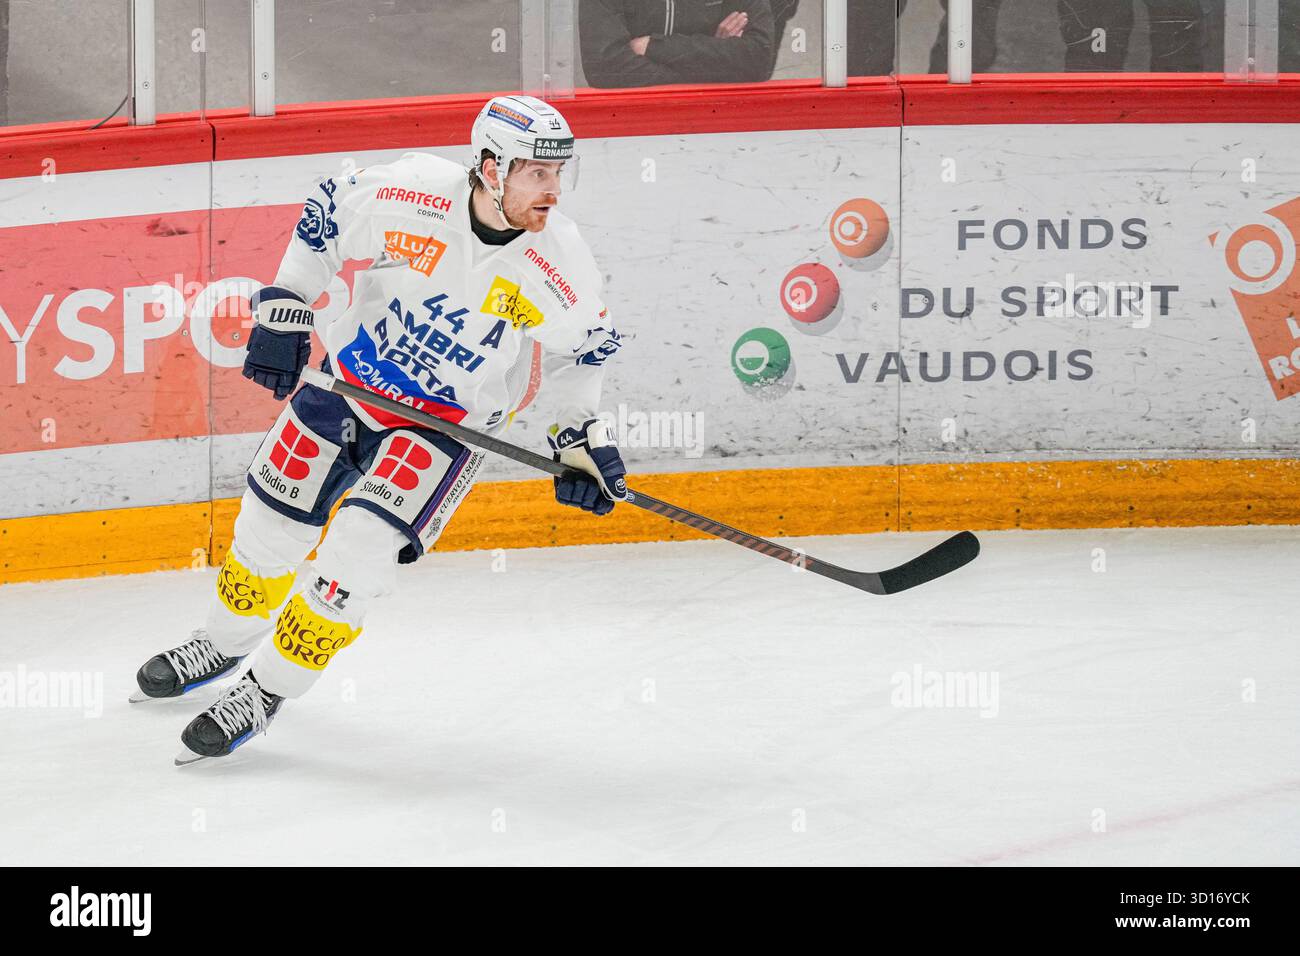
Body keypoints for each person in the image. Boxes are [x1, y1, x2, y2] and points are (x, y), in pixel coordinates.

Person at [132, 95, 628, 763]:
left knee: (355, 557)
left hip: (444, 427)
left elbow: (584, 347)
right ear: (490, 166)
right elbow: (329, 214)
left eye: (559, 173)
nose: (554, 190)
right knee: (266, 533)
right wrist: (286, 304)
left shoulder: (558, 259)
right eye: (537, 174)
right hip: (351, 385)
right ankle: (224, 642)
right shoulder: (415, 192)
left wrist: (579, 439)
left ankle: (265, 689)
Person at [580, 0, 776, 87]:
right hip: (630, 125)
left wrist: (654, 47)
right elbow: (605, 69)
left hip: (717, 122)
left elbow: (758, 58)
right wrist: (715, 61)